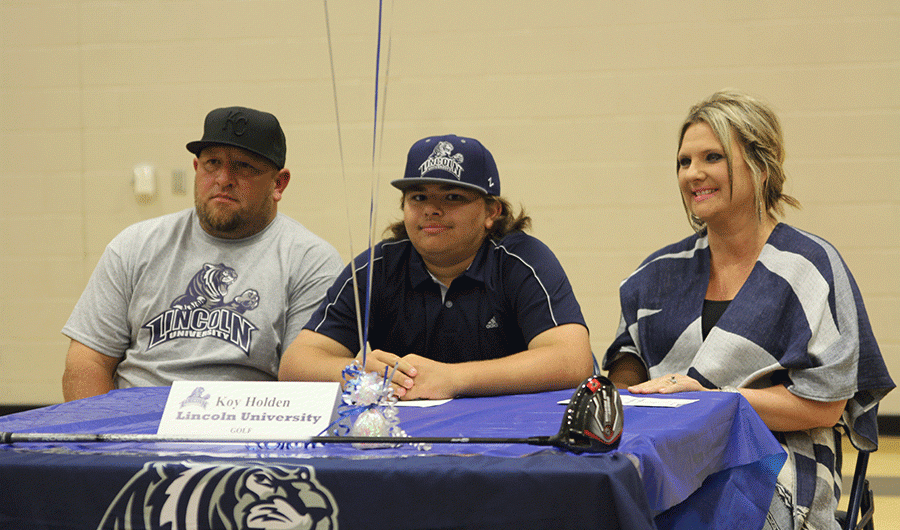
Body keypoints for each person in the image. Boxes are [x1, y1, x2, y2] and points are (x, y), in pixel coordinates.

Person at [603, 90, 894, 530]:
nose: (693, 174)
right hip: (665, 455)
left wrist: (712, 400)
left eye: (712, 157)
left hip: (776, 462)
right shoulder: (657, 273)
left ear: (760, 167)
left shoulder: (810, 268)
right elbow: (627, 362)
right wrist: (626, 391)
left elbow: (824, 406)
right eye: (684, 162)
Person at [279, 134, 594, 400]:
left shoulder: (522, 260)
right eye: (418, 197)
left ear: (491, 211)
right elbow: (296, 364)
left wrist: (453, 379)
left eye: (453, 196)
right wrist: (357, 371)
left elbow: (571, 360)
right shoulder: (377, 268)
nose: (431, 209)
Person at [62, 106, 343, 401]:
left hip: (241, 430)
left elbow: (303, 383)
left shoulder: (311, 261)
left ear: (279, 183)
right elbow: (87, 361)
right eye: (212, 163)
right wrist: (100, 439)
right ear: (197, 169)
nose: (224, 178)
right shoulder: (135, 245)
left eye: (244, 166)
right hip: (136, 426)